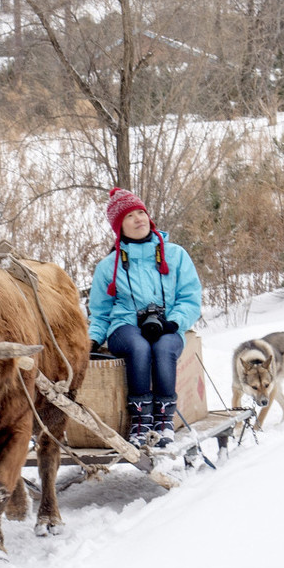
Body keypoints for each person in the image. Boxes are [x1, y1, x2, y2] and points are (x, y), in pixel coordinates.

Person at [88, 187, 202, 448]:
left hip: (168, 323)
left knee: (163, 347)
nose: (139, 219)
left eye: (141, 212)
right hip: (124, 326)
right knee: (139, 347)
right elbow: (101, 312)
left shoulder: (175, 255)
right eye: (130, 216)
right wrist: (92, 340)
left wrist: (173, 322)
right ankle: (140, 421)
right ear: (119, 227)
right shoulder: (108, 266)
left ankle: (164, 420)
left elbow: (191, 298)